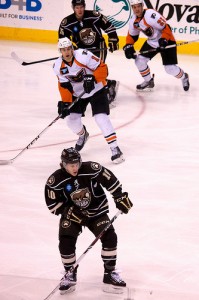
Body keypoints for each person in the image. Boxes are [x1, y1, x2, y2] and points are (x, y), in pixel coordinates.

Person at [44, 147, 133, 294]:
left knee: (110, 237)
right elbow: (53, 205)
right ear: (63, 164)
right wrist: (69, 211)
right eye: (71, 165)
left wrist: (119, 196)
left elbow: (110, 179)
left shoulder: (91, 168)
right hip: (73, 217)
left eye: (77, 163)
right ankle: (70, 274)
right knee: (66, 241)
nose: (75, 167)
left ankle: (109, 274)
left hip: (96, 212)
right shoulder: (55, 180)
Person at [53, 37, 124, 164]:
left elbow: (103, 68)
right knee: (71, 121)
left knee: (101, 118)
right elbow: (64, 86)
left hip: (97, 89)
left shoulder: (84, 56)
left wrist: (93, 78)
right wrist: (65, 104)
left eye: (69, 48)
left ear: (72, 48)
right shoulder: (58, 66)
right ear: (60, 51)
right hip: (78, 93)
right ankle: (83, 135)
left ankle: (115, 148)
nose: (67, 52)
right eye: (64, 50)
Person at [58, 0, 120, 106]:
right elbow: (63, 40)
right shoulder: (67, 22)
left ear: (84, 7)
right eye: (77, 7)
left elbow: (109, 26)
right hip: (81, 51)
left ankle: (104, 93)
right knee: (85, 74)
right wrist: (68, 51)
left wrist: (113, 39)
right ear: (73, 8)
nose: (80, 10)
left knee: (97, 69)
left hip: (98, 46)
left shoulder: (94, 15)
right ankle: (109, 83)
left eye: (81, 7)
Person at [123, 0, 190, 91]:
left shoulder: (150, 15)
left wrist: (164, 40)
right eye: (134, 7)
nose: (137, 9)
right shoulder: (133, 20)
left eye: (138, 6)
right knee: (139, 61)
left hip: (167, 40)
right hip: (152, 42)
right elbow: (132, 35)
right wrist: (128, 46)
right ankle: (148, 81)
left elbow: (166, 27)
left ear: (142, 6)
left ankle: (184, 77)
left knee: (169, 69)